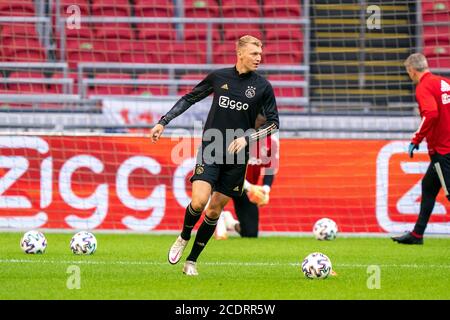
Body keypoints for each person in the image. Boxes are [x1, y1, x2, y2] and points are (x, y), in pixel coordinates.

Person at [149, 35, 279, 275]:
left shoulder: (263, 87)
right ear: (240, 53)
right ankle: (183, 236)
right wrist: (163, 122)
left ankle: (192, 261)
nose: (258, 58)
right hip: (211, 148)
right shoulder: (219, 77)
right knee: (198, 202)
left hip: (238, 158)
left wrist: (246, 138)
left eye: (260, 54)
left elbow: (273, 124)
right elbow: (190, 97)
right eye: (254, 53)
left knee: (214, 210)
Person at [392, 53, 450, 245]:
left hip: (443, 150)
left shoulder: (423, 87)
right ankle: (417, 234)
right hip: (444, 148)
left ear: (412, 70)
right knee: (428, 187)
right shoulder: (444, 82)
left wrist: (416, 138)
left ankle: (417, 234)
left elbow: (431, 114)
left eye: (408, 71)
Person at [214, 112, 279, 239]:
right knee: (219, 234)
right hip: (224, 183)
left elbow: (270, 170)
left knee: (250, 234)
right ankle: (218, 218)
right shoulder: (235, 136)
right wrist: (251, 188)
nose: (262, 128)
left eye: (265, 125)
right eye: (260, 124)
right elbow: (227, 170)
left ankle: (231, 223)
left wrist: (265, 190)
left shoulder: (272, 142)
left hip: (245, 189)